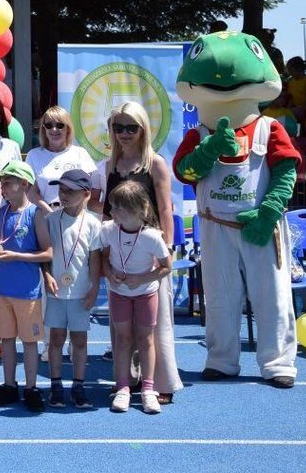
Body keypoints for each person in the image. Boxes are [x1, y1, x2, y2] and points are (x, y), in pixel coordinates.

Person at [91, 101, 183, 403]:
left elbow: (165, 207)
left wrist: (165, 248)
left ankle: (161, 384)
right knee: (122, 327)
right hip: (118, 251)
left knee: (155, 326)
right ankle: (125, 382)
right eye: (118, 127)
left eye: (131, 127)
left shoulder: (155, 163)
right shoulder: (108, 167)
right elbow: (103, 210)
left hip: (150, 252)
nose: (124, 133)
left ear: (143, 129)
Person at [0, 161, 51, 411]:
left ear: (24, 184)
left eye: (8, 183)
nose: (3, 188)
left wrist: (16, 257)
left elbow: (48, 252)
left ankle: (31, 388)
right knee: (7, 340)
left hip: (27, 290)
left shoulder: (36, 213)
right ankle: (9, 386)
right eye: (1, 183)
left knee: (29, 341)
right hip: (3, 288)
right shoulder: (1, 212)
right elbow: (1, 243)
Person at [101, 181, 172, 415]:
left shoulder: (152, 236)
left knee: (146, 340)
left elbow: (166, 267)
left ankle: (148, 389)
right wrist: (110, 274)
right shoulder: (109, 229)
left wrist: (142, 278)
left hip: (146, 293)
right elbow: (103, 257)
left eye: (117, 207)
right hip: (119, 293)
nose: (111, 212)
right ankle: (123, 387)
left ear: (135, 210)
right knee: (122, 340)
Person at [41, 169, 102, 410]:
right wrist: (46, 275)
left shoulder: (92, 224)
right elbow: (45, 255)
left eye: (69, 191)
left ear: (86, 194)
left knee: (79, 339)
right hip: (55, 292)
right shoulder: (51, 220)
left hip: (81, 293)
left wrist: (95, 287)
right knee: (55, 339)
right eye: (61, 190)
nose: (63, 195)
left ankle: (78, 385)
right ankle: (56, 386)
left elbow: (95, 259)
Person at [25, 106, 99, 210]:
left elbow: (91, 190)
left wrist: (74, 212)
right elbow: (29, 191)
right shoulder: (33, 155)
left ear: (68, 128)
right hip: (44, 216)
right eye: (49, 125)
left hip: (75, 216)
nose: (54, 129)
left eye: (60, 125)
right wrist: (48, 211)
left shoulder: (80, 153)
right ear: (43, 128)